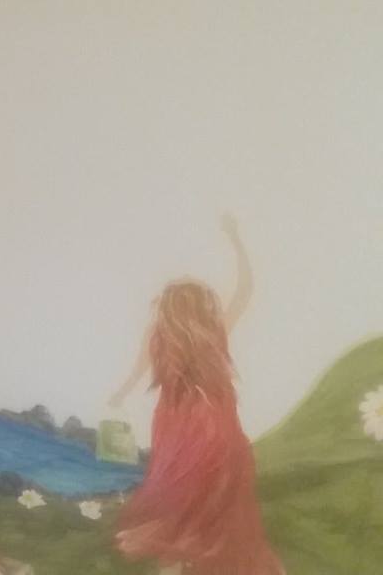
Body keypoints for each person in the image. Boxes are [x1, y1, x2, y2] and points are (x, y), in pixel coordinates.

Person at [107, 216, 283, 575]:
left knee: (180, 486)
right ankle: (206, 552)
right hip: (213, 420)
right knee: (219, 487)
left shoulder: (160, 337)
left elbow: (138, 368)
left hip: (176, 421)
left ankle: (180, 556)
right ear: (203, 306)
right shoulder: (214, 332)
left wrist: (119, 395)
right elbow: (245, 289)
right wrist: (236, 239)